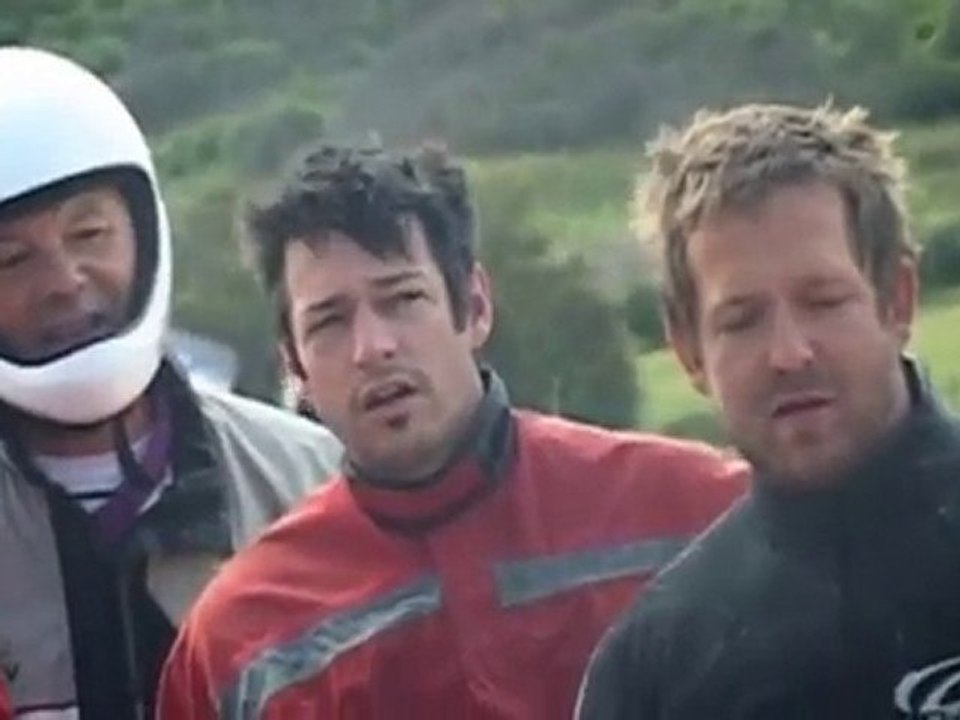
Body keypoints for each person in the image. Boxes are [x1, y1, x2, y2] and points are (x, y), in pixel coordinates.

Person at [154, 143, 747, 718]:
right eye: (330, 322)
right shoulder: (237, 643)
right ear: (294, 363)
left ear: (475, 306)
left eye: (403, 299)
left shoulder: (693, 511)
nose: (373, 347)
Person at [576, 102, 960, 719]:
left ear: (897, 301)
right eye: (742, 320)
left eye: (823, 301)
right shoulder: (655, 669)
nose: (788, 353)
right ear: (688, 349)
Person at [0, 47, 341, 719]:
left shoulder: (311, 479)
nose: (65, 280)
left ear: (145, 232)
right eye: (12, 259)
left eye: (90, 233)